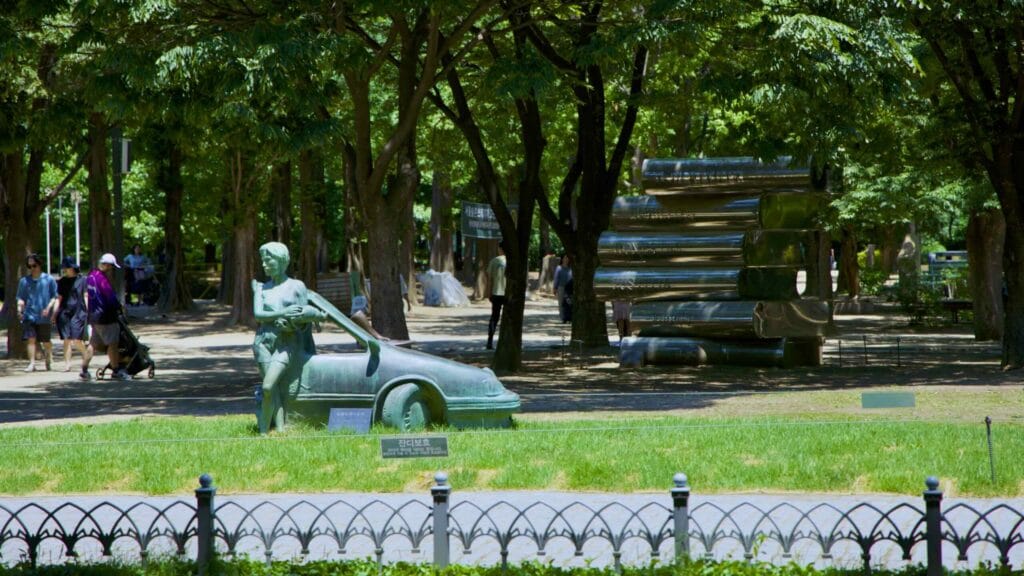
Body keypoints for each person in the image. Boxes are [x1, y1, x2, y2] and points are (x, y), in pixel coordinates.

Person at [252, 242, 325, 434]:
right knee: (273, 388)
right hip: (263, 342)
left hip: (287, 343)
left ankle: (268, 430)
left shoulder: (296, 286)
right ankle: (275, 429)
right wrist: (283, 312)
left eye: (268, 261)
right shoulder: (261, 288)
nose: (264, 265)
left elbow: (304, 320)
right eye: (263, 261)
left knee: (268, 386)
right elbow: (258, 315)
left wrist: (291, 325)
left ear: (282, 261)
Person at [81, 253, 130, 381]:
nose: (111, 269)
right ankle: (116, 370)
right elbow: (110, 298)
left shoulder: (91, 276)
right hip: (106, 316)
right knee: (112, 343)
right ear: (107, 265)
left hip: (94, 316)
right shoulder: (102, 279)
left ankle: (84, 370)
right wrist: (119, 307)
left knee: (93, 344)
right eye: (111, 266)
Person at [16, 254, 58, 372]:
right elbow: (20, 298)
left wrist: (49, 308)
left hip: (44, 316)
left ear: (39, 264)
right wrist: (19, 310)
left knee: (46, 341)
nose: (32, 268)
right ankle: (32, 363)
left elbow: (54, 296)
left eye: (34, 265)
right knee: (31, 339)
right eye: (29, 266)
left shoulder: (49, 279)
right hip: (29, 314)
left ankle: (48, 357)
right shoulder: (24, 281)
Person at [53, 257, 89, 371]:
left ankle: (86, 355)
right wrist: (54, 313)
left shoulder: (82, 280)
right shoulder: (62, 281)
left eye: (67, 267)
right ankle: (67, 364)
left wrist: (88, 310)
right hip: (64, 312)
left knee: (77, 340)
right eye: (64, 267)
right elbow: (59, 298)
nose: (65, 269)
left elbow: (86, 296)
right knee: (66, 339)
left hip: (79, 311)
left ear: (73, 268)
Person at [486, 242, 507, 350]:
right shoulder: (512, 261)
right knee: (508, 318)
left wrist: (489, 292)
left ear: (500, 249)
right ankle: (506, 342)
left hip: (496, 292)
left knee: (494, 317)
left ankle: (489, 341)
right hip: (508, 294)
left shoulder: (494, 261)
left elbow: (490, 279)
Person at [553, 253, 573, 323]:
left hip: (569, 288)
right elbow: (556, 278)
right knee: (561, 303)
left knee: (569, 302)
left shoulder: (571, 268)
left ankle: (569, 317)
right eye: (565, 258)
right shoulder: (559, 268)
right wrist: (555, 288)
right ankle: (563, 318)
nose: (566, 259)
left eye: (567, 258)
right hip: (561, 287)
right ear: (562, 259)